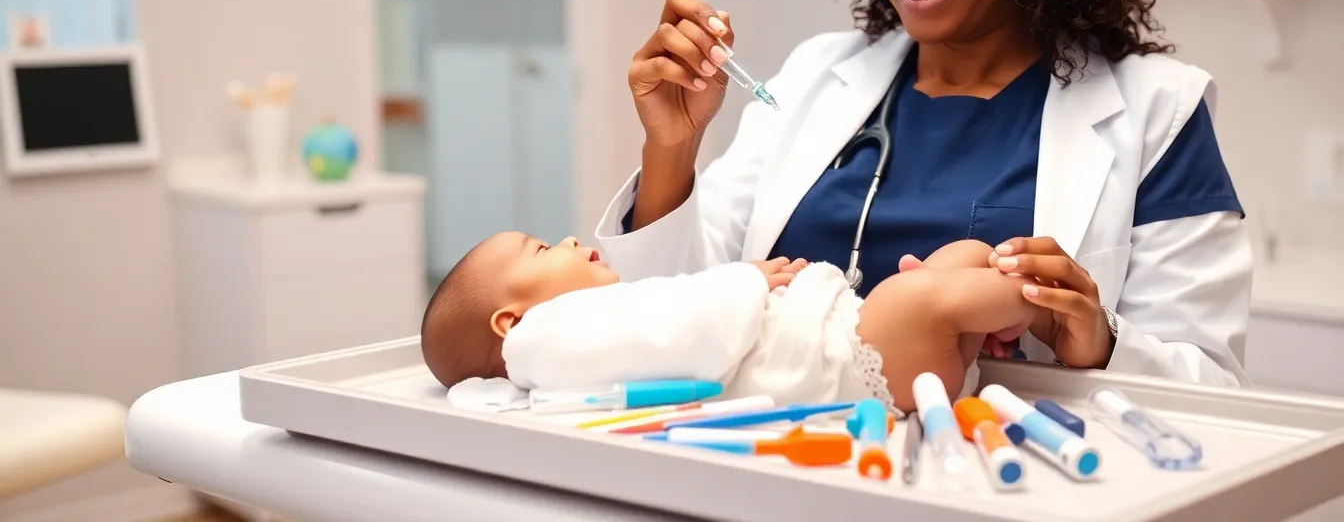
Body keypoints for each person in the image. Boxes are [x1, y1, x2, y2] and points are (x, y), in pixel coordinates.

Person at [595, 0, 1252, 387]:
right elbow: (675, 313)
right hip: (783, 455)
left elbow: (1213, 383)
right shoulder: (817, 75)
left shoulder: (1158, 110)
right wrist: (672, 148)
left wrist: (1100, 342)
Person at [420, 235, 1033, 413]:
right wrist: (743, 282)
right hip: (845, 359)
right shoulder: (543, 340)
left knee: (964, 258)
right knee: (926, 300)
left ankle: (999, 301)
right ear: (510, 320)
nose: (571, 238)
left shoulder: (570, 336)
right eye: (541, 248)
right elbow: (677, 329)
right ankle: (1039, 304)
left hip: (860, 339)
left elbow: (662, 322)